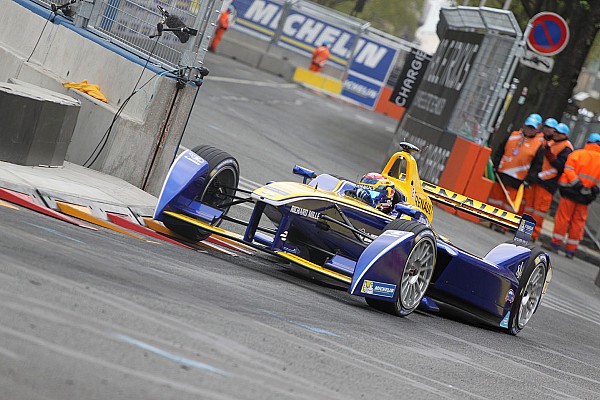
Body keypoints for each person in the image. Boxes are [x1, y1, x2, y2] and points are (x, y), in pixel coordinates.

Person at [545, 133, 600, 258]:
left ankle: (555, 244)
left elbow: (568, 170)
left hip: (570, 192)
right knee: (578, 222)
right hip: (586, 197)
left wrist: (577, 185)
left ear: (588, 142)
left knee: (563, 218)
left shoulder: (577, 154)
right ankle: (571, 250)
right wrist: (591, 189)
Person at [523, 120, 573, 241]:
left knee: (538, 210)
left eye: (558, 132)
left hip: (547, 184)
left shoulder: (566, 148)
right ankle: (524, 231)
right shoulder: (551, 143)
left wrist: (550, 156)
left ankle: (533, 234)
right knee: (529, 207)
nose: (555, 134)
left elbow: (561, 167)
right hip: (539, 180)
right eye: (555, 131)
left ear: (564, 135)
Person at [488, 113, 544, 215]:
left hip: (518, 179)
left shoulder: (538, 146)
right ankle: (488, 217)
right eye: (528, 126)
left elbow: (537, 166)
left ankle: (502, 224)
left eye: (532, 128)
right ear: (524, 125)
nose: (529, 130)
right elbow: (500, 151)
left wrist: (529, 180)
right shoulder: (513, 135)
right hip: (501, 173)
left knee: (509, 204)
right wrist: (496, 165)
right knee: (494, 198)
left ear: (537, 129)